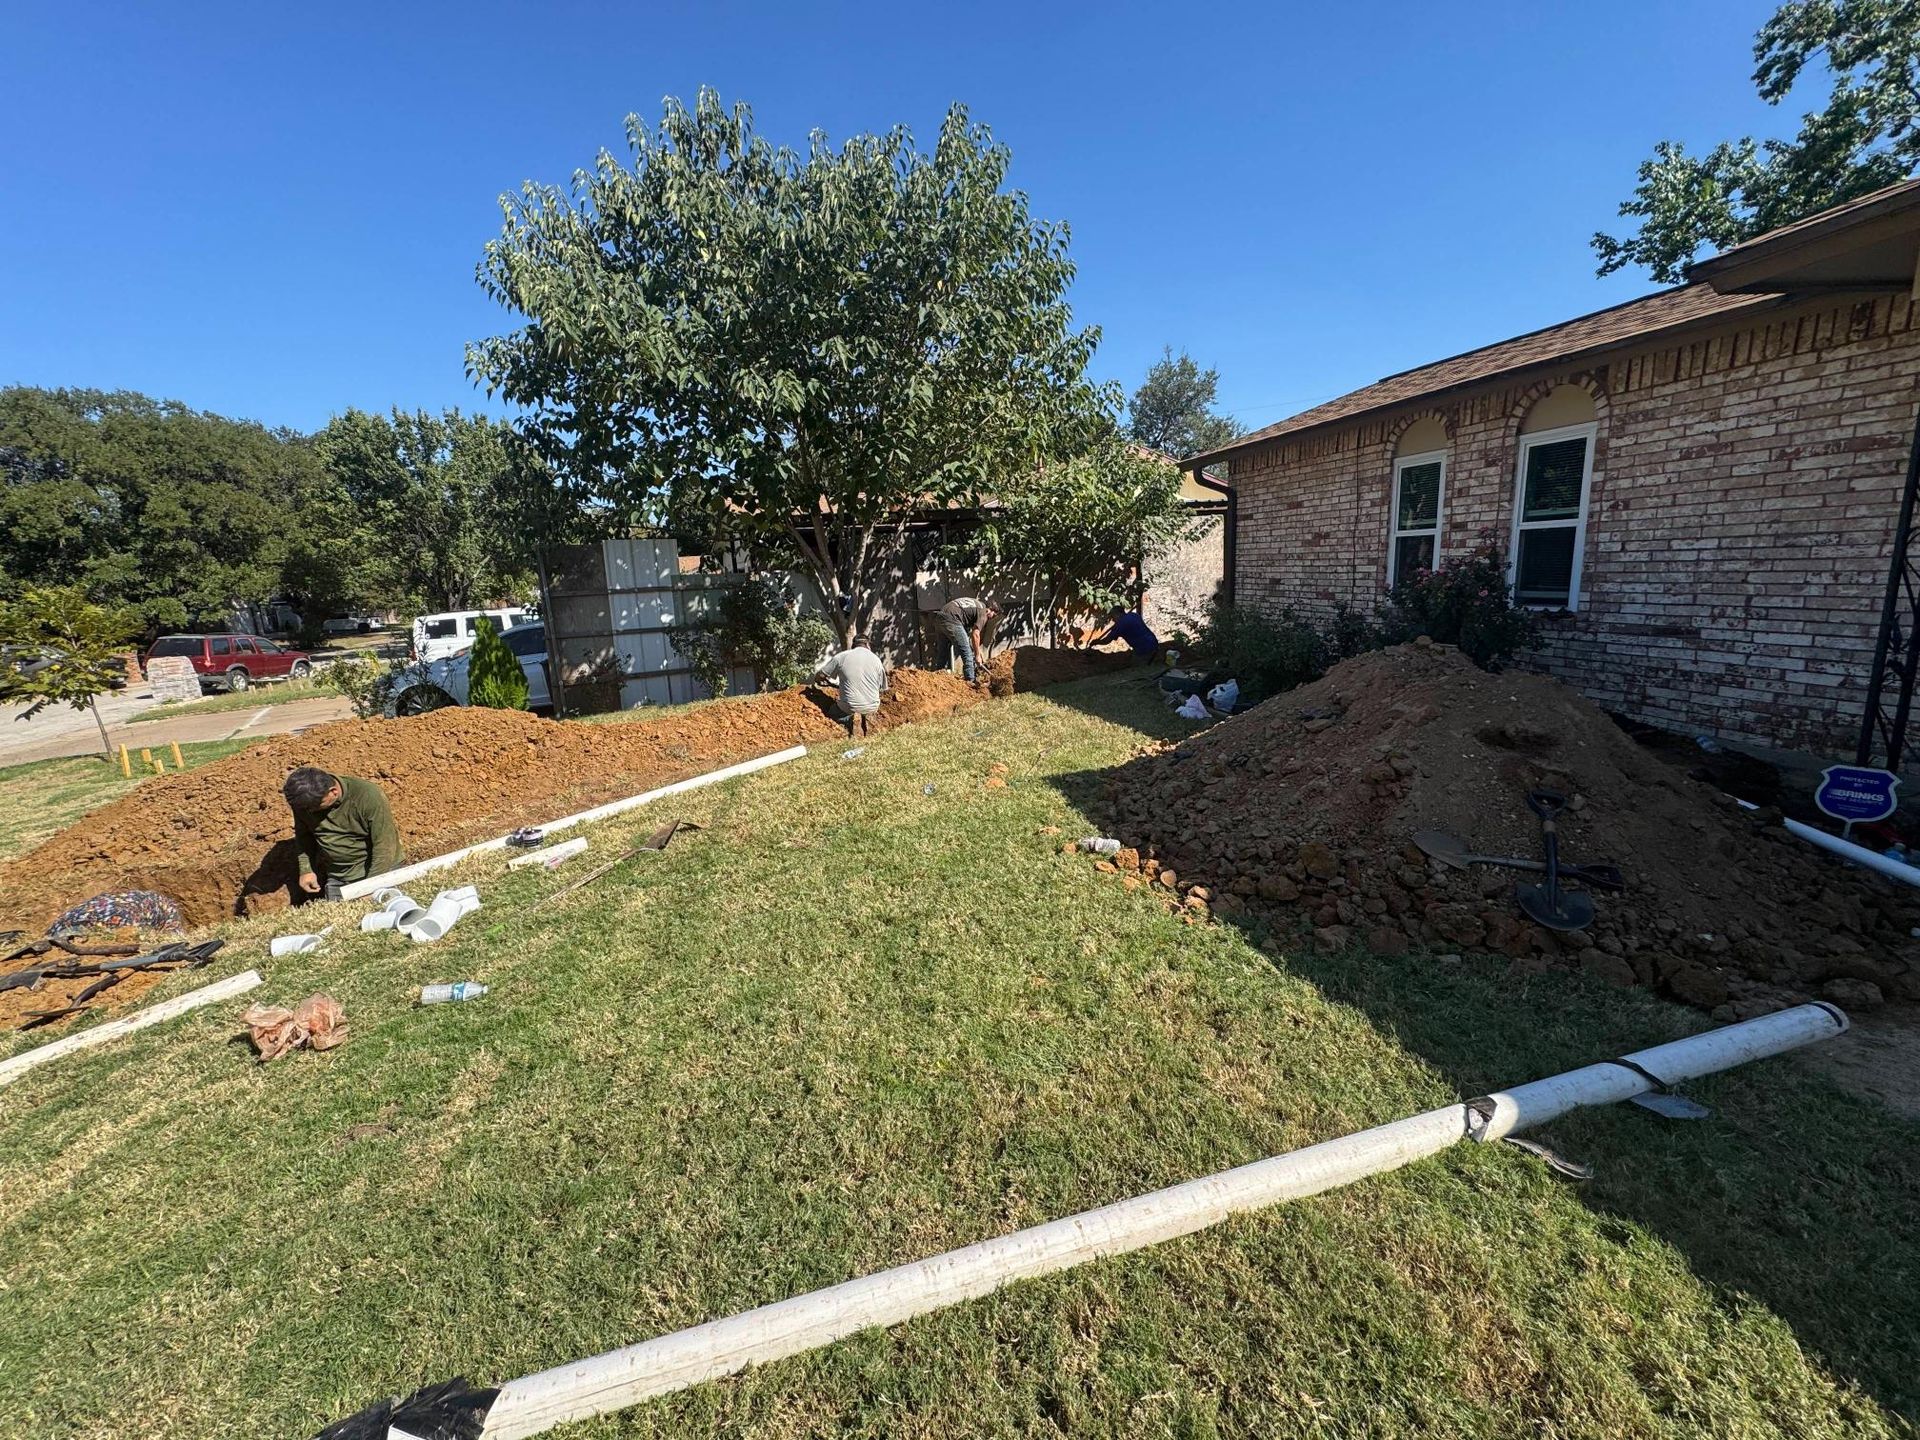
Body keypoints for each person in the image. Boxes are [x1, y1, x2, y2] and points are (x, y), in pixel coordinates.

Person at [283, 767, 403, 902]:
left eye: (316, 807)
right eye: (306, 809)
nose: (310, 812)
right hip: (339, 877)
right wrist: (306, 870)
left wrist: (372, 886)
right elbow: (304, 837)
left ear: (333, 792)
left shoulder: (367, 795)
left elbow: (385, 846)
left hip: (381, 870)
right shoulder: (305, 802)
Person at [811, 635, 888, 739]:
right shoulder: (876, 660)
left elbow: (821, 675)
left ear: (853, 645)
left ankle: (849, 722)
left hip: (849, 707)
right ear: (868, 645)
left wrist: (818, 680)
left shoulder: (841, 656)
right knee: (868, 708)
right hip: (872, 707)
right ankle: (866, 719)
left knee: (831, 712)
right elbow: (883, 688)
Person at [935, 595, 997, 684]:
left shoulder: (976, 605)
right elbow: (975, 634)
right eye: (993, 615)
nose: (991, 618)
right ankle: (970, 682)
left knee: (943, 652)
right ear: (990, 609)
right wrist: (977, 656)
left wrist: (978, 651)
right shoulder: (984, 611)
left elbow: (968, 637)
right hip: (953, 619)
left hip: (940, 617)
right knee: (967, 654)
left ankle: (937, 680)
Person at [1089, 606, 1161, 660]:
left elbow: (1107, 640)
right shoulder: (1134, 615)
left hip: (1143, 649)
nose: (1113, 620)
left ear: (1117, 614)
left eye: (1112, 616)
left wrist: (1096, 642)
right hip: (1154, 643)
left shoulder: (1120, 625)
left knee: (1137, 670)